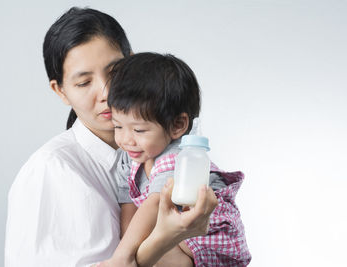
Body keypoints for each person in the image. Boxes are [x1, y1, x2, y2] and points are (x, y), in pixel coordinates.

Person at [5, 7, 218, 267]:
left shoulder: (158, 153)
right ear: (60, 91)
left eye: (115, 72)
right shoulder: (51, 170)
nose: (106, 92)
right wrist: (164, 240)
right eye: (84, 83)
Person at [96, 53, 251, 266]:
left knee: (154, 249)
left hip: (208, 236)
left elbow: (155, 202)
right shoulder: (129, 156)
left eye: (139, 130)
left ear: (178, 126)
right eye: (118, 126)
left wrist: (122, 257)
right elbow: (129, 207)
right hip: (174, 232)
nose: (125, 139)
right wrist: (123, 251)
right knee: (145, 248)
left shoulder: (178, 157)